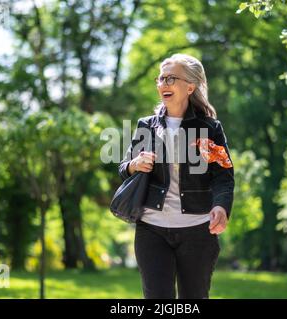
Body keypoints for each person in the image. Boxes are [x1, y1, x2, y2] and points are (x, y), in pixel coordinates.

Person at [118, 53, 235, 299]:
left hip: (198, 231)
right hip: (152, 229)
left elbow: (223, 175)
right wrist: (135, 164)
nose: (163, 84)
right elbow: (124, 169)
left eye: (171, 78)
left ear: (190, 86)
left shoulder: (208, 129)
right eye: (161, 79)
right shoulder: (147, 126)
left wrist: (221, 207)